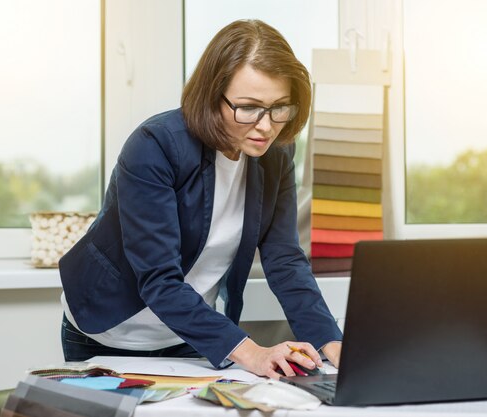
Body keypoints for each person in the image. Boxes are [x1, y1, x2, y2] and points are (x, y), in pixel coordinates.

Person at [59, 19, 342, 379]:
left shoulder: (277, 154)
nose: (266, 126)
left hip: (193, 333)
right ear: (212, 96)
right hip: (106, 331)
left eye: (279, 107)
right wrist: (253, 353)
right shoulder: (154, 146)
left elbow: (285, 258)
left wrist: (329, 340)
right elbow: (159, 279)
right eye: (249, 107)